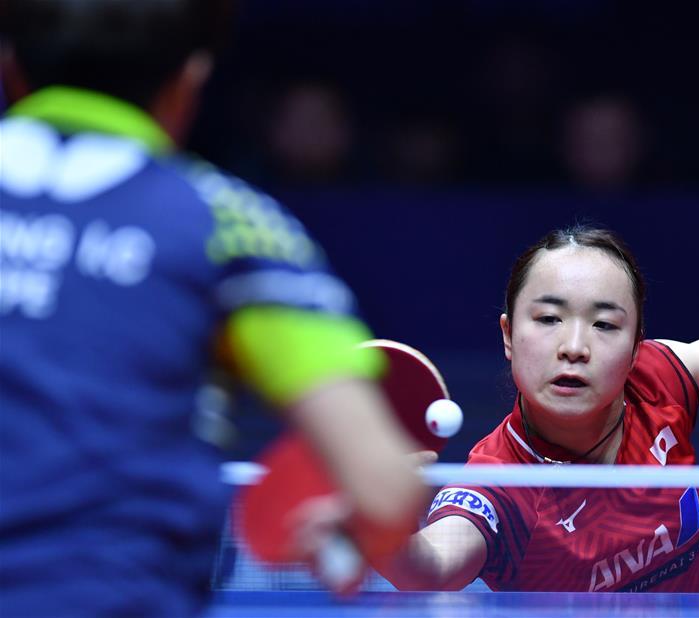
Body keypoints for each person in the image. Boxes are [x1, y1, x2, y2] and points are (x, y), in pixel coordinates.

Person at [0, 1, 426, 615]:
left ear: (10, 65)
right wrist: (351, 535)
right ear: (189, 83)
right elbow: (384, 490)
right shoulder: (231, 224)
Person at [376, 122, 699, 592]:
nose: (574, 346)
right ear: (508, 336)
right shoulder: (499, 487)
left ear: (636, 348)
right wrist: (378, 510)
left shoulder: (657, 382)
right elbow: (429, 568)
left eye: (605, 324)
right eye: (548, 319)